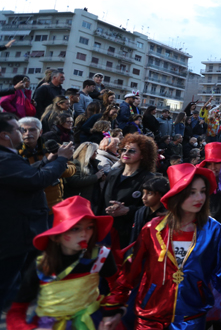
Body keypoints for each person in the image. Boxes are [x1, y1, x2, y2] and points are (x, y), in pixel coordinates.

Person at [106, 163, 221, 329]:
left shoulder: (214, 231)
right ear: (177, 194)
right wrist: (114, 306)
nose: (200, 198)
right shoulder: (151, 229)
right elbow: (130, 272)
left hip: (191, 317)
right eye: (192, 192)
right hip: (150, 316)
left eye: (203, 191)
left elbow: (219, 271)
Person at [5, 196, 120, 330]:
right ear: (57, 236)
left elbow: (119, 287)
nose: (84, 234)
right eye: (75, 229)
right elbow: (17, 308)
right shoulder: (41, 264)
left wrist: (111, 313)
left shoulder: (101, 256)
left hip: (90, 322)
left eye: (89, 227)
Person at [0, 113, 74, 307]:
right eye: (18, 129)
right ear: (4, 135)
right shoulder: (4, 159)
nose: (23, 133)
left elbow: (28, 175)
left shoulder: (8, 158)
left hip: (20, 229)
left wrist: (49, 160)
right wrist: (61, 159)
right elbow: (37, 180)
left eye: (30, 129)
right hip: (12, 233)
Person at [96, 134, 158, 248]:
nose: (126, 153)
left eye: (132, 151)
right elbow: (101, 202)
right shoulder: (113, 173)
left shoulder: (149, 178)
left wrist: (127, 210)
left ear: (143, 155)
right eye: (124, 149)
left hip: (129, 235)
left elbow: (153, 209)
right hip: (105, 230)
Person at [129, 175, 169, 248]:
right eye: (144, 193)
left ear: (161, 194)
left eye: (149, 193)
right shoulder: (140, 212)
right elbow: (135, 236)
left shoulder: (167, 214)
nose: (143, 197)